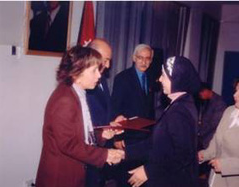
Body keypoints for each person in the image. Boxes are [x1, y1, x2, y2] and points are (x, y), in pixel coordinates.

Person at [35, 46, 125, 187]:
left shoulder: (76, 93)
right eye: (94, 70)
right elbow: (68, 144)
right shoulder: (65, 100)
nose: (99, 75)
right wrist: (105, 155)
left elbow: (80, 133)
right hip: (61, 178)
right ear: (77, 72)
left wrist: (101, 135)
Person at [127, 56, 200, 187]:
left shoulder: (180, 111)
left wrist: (148, 171)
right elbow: (158, 143)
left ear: (177, 80)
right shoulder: (178, 104)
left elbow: (183, 156)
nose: (159, 79)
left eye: (164, 76)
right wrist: (126, 152)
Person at [86, 39, 126, 186]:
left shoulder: (101, 80)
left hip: (102, 148)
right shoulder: (84, 83)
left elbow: (105, 110)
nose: (108, 65)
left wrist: (114, 121)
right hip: (90, 152)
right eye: (106, 60)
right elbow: (86, 121)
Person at [198, 77, 239, 187]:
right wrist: (204, 154)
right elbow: (217, 139)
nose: (235, 95)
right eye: (235, 90)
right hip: (215, 180)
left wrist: (226, 165)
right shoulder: (229, 111)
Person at [111, 44, 155, 146]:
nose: (144, 62)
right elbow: (115, 109)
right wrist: (118, 137)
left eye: (147, 58)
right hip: (128, 137)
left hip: (146, 137)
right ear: (134, 58)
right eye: (140, 58)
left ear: (151, 60)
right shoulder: (122, 78)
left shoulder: (151, 78)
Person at [196, 82, 227, 178]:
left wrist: (199, 132)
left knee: (208, 168)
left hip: (211, 138)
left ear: (206, 91)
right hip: (204, 137)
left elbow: (214, 124)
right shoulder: (207, 101)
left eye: (201, 93)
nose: (200, 96)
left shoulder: (219, 103)